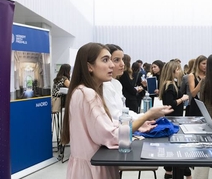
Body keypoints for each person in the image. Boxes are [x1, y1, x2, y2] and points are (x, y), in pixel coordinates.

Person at [61, 42, 173, 179]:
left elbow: (108, 124)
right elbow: (112, 135)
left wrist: (139, 122)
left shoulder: (81, 91)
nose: (112, 65)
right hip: (93, 169)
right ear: (89, 66)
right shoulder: (88, 94)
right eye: (105, 60)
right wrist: (147, 116)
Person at [158, 61, 190, 179]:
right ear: (173, 71)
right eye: (178, 69)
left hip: (174, 118)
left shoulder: (171, 84)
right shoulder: (170, 85)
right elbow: (169, 104)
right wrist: (182, 98)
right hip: (173, 118)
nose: (180, 71)